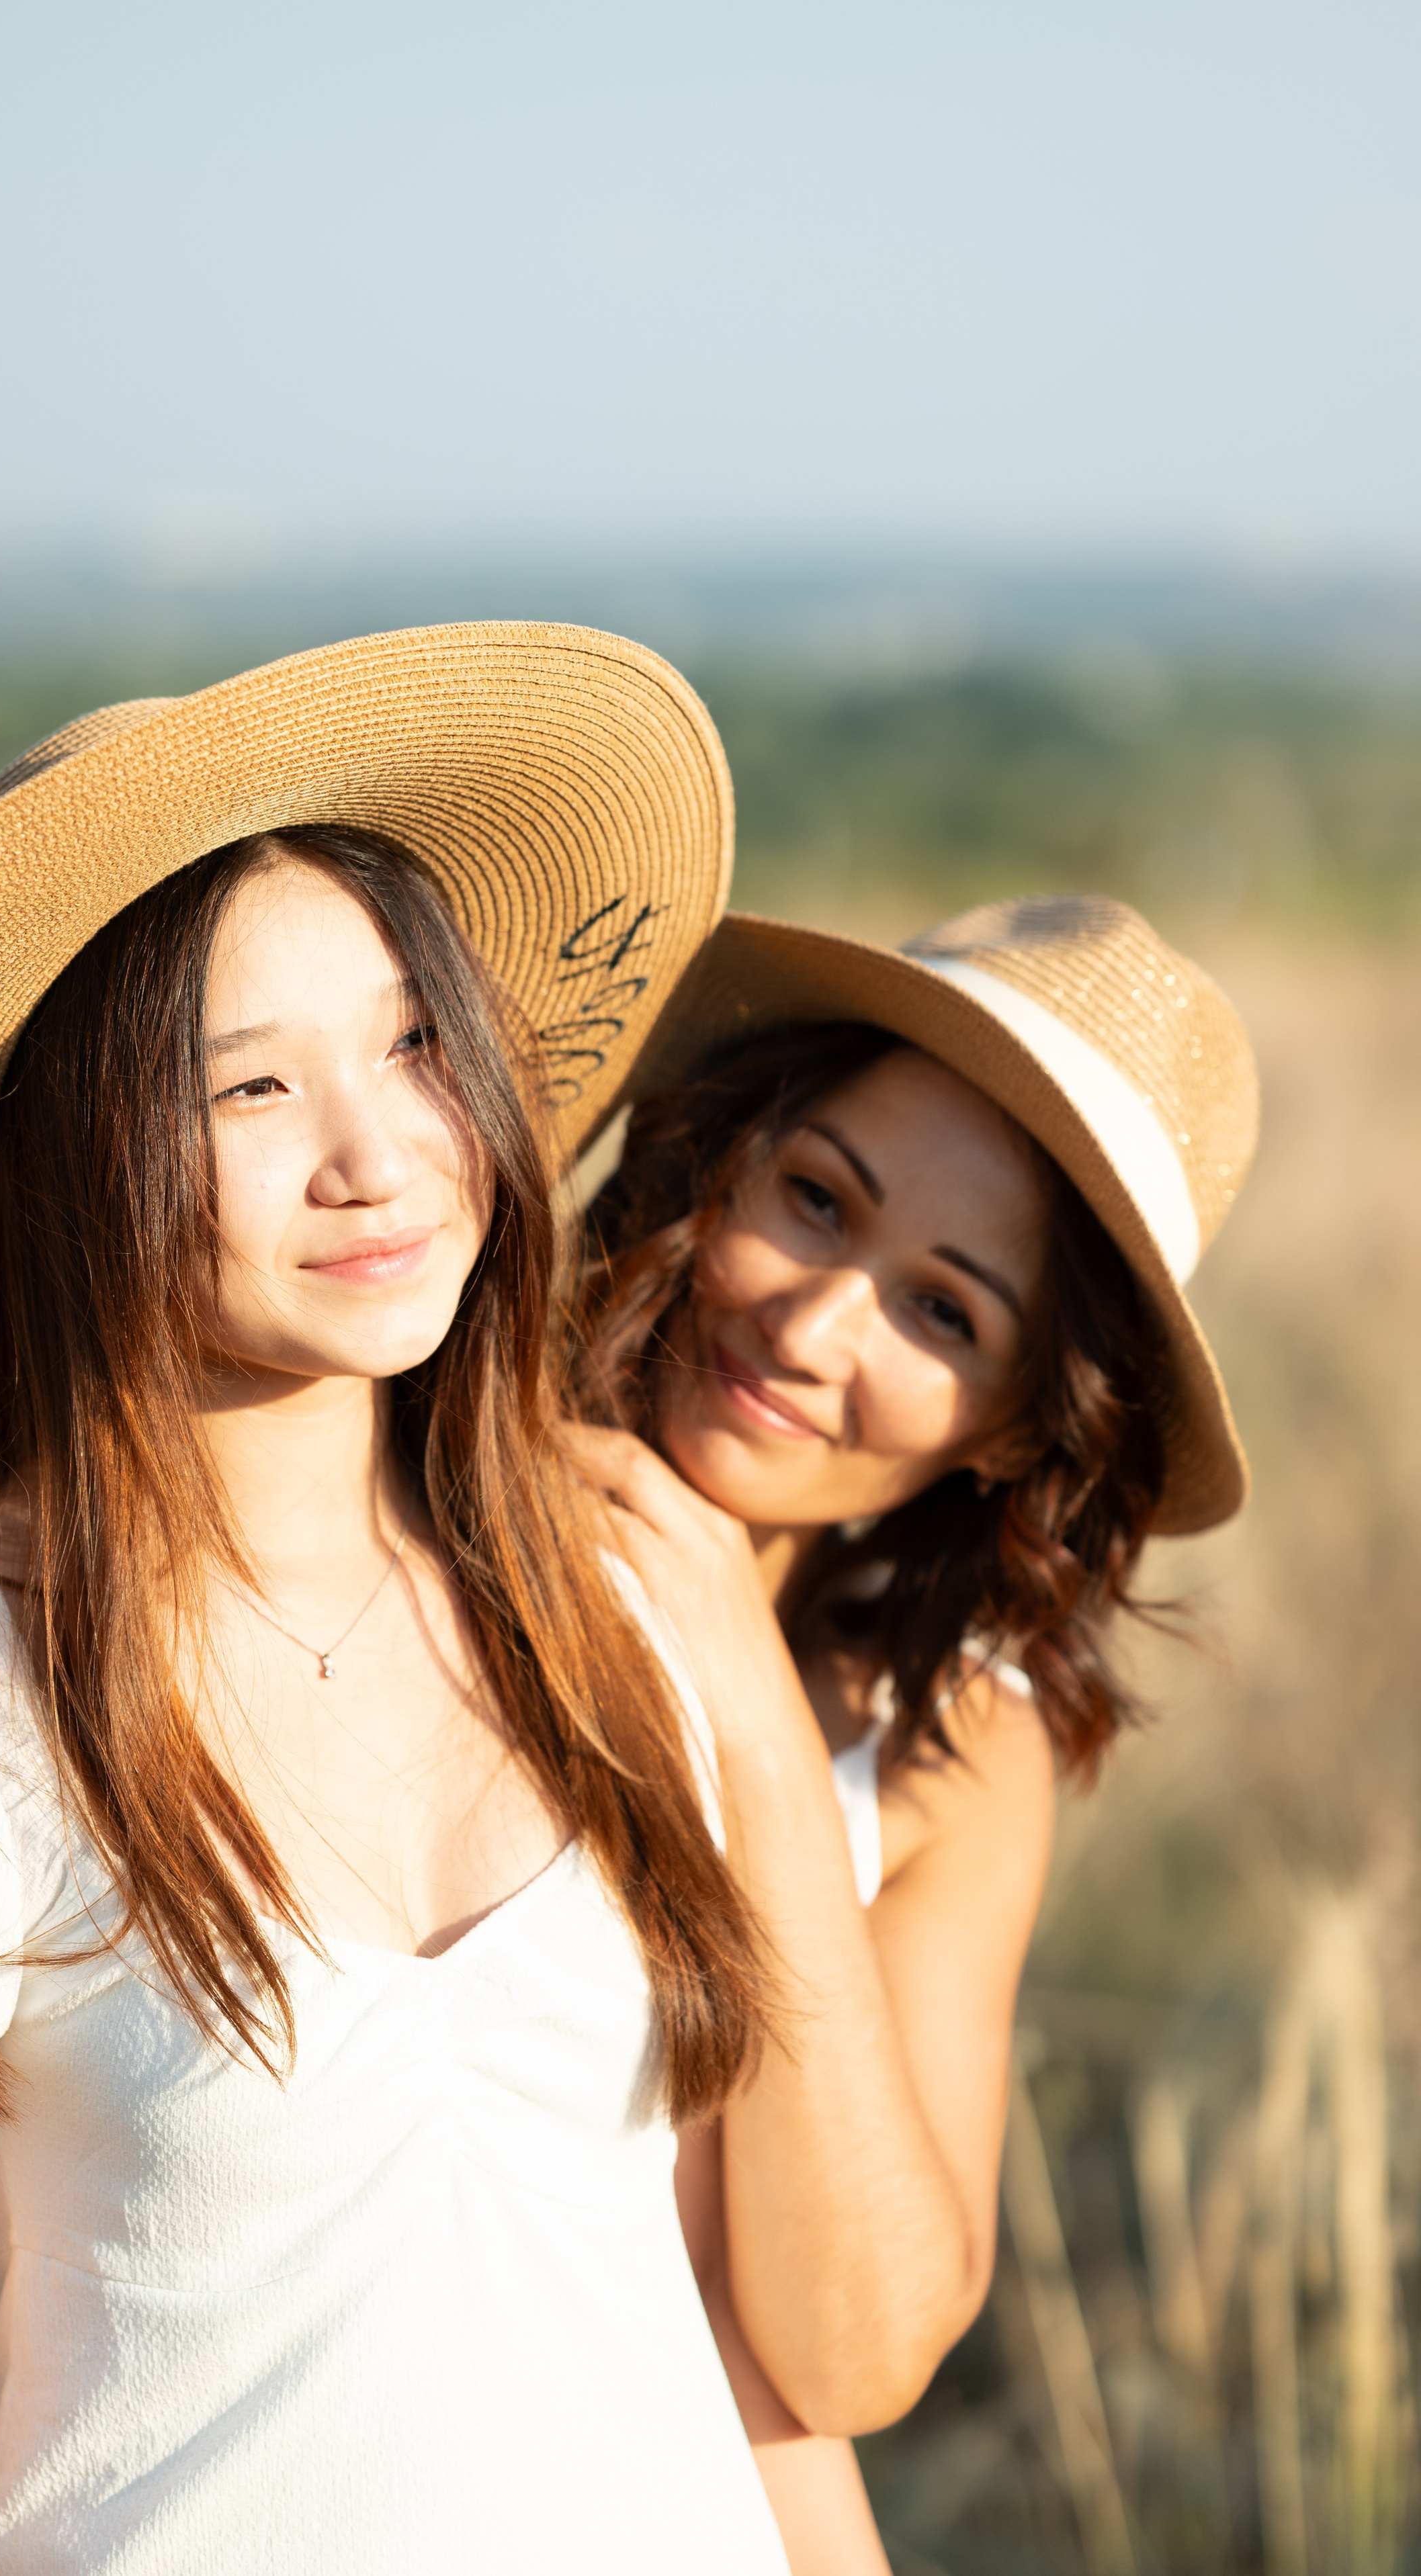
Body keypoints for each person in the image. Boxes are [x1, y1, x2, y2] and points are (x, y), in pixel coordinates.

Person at [0, 625, 831, 2576]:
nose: (378, 1153)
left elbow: (740, 2370)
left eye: (412, 1043)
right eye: (247, 1086)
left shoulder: (608, 1595)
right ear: (83, 1160)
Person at [560, 894, 1259, 2563]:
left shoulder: (947, 1745)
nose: (809, 1334)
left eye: (940, 1313)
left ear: (1019, 1430)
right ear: (717, 1158)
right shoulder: (399, 1517)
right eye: (813, 1200)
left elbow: (852, 2342)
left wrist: (749, 1708)